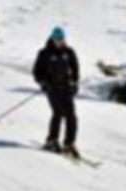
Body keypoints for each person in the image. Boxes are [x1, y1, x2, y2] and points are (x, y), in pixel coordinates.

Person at [33, 26, 80, 157]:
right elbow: (37, 72)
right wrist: (43, 83)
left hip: (66, 87)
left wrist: (74, 83)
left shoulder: (69, 52)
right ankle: (52, 140)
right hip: (52, 88)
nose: (60, 41)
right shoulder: (44, 53)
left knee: (71, 115)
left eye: (62, 39)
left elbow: (75, 68)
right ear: (52, 38)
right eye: (57, 39)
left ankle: (69, 143)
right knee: (58, 112)